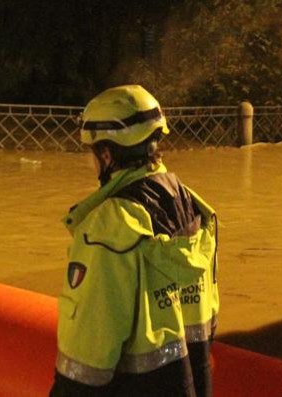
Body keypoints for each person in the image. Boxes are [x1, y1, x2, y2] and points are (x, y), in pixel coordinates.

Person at [51, 85, 219, 397]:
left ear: (106, 154)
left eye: (91, 153)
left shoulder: (109, 228)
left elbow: (88, 356)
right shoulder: (192, 208)